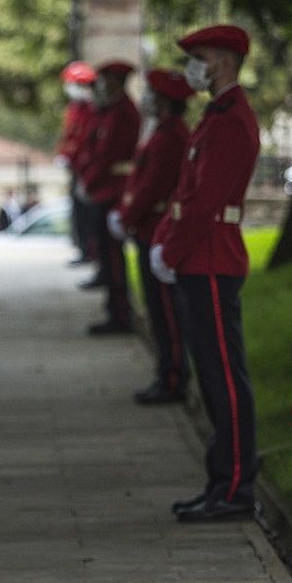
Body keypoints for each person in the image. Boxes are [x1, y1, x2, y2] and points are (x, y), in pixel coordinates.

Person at [148, 25, 260, 522]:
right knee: (213, 376)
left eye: (201, 56)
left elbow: (205, 202)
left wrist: (171, 251)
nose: (193, 66)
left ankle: (235, 486)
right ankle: (223, 479)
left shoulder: (232, 119)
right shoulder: (215, 116)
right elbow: (187, 195)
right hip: (201, 257)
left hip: (212, 259)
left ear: (226, 61)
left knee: (223, 379)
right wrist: (168, 246)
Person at [109, 69, 195, 403]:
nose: (147, 101)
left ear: (164, 102)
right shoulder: (161, 132)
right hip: (148, 226)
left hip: (156, 227)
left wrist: (127, 216)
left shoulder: (171, 136)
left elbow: (152, 185)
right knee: (158, 309)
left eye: (153, 96)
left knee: (166, 312)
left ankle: (173, 377)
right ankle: (167, 372)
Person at [79, 61, 141, 333]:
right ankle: (114, 311)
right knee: (107, 257)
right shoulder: (108, 110)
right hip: (102, 189)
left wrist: (89, 181)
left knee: (113, 259)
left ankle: (120, 315)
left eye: (105, 80)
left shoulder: (123, 113)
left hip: (112, 191)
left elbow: (108, 155)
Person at [57, 61, 97, 265]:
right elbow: (69, 135)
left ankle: (90, 250)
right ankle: (83, 248)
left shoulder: (90, 108)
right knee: (79, 209)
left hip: (86, 167)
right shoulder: (75, 107)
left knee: (87, 211)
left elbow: (84, 139)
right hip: (76, 166)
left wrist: (71, 155)